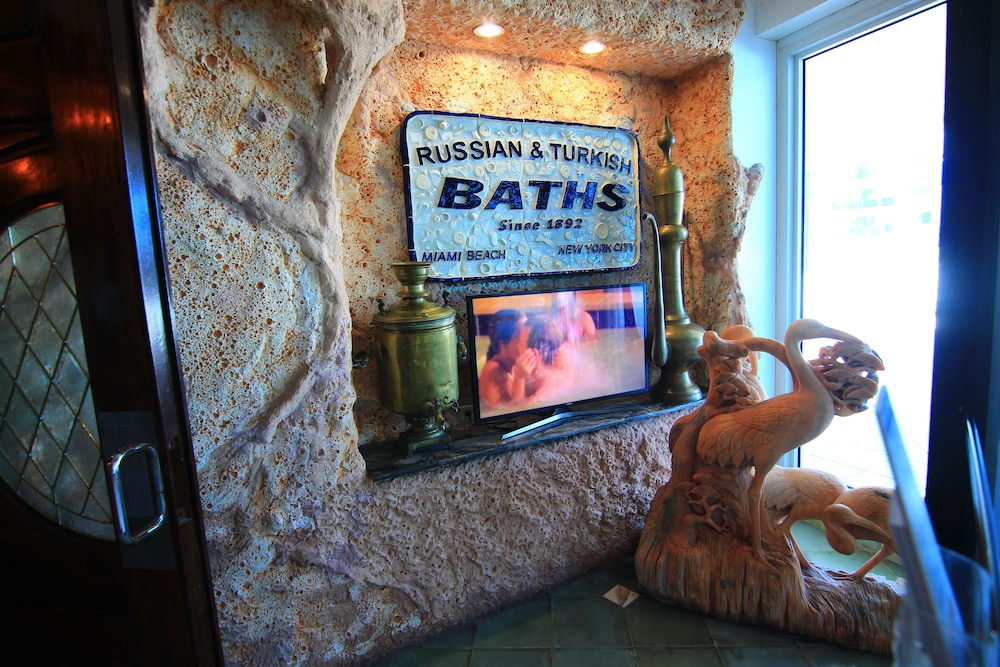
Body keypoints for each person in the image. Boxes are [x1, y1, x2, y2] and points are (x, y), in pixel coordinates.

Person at [477, 309, 538, 408]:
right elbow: (513, 412)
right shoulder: (492, 371)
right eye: (519, 336)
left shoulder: (515, 366)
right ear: (503, 345)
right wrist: (519, 379)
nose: (527, 341)